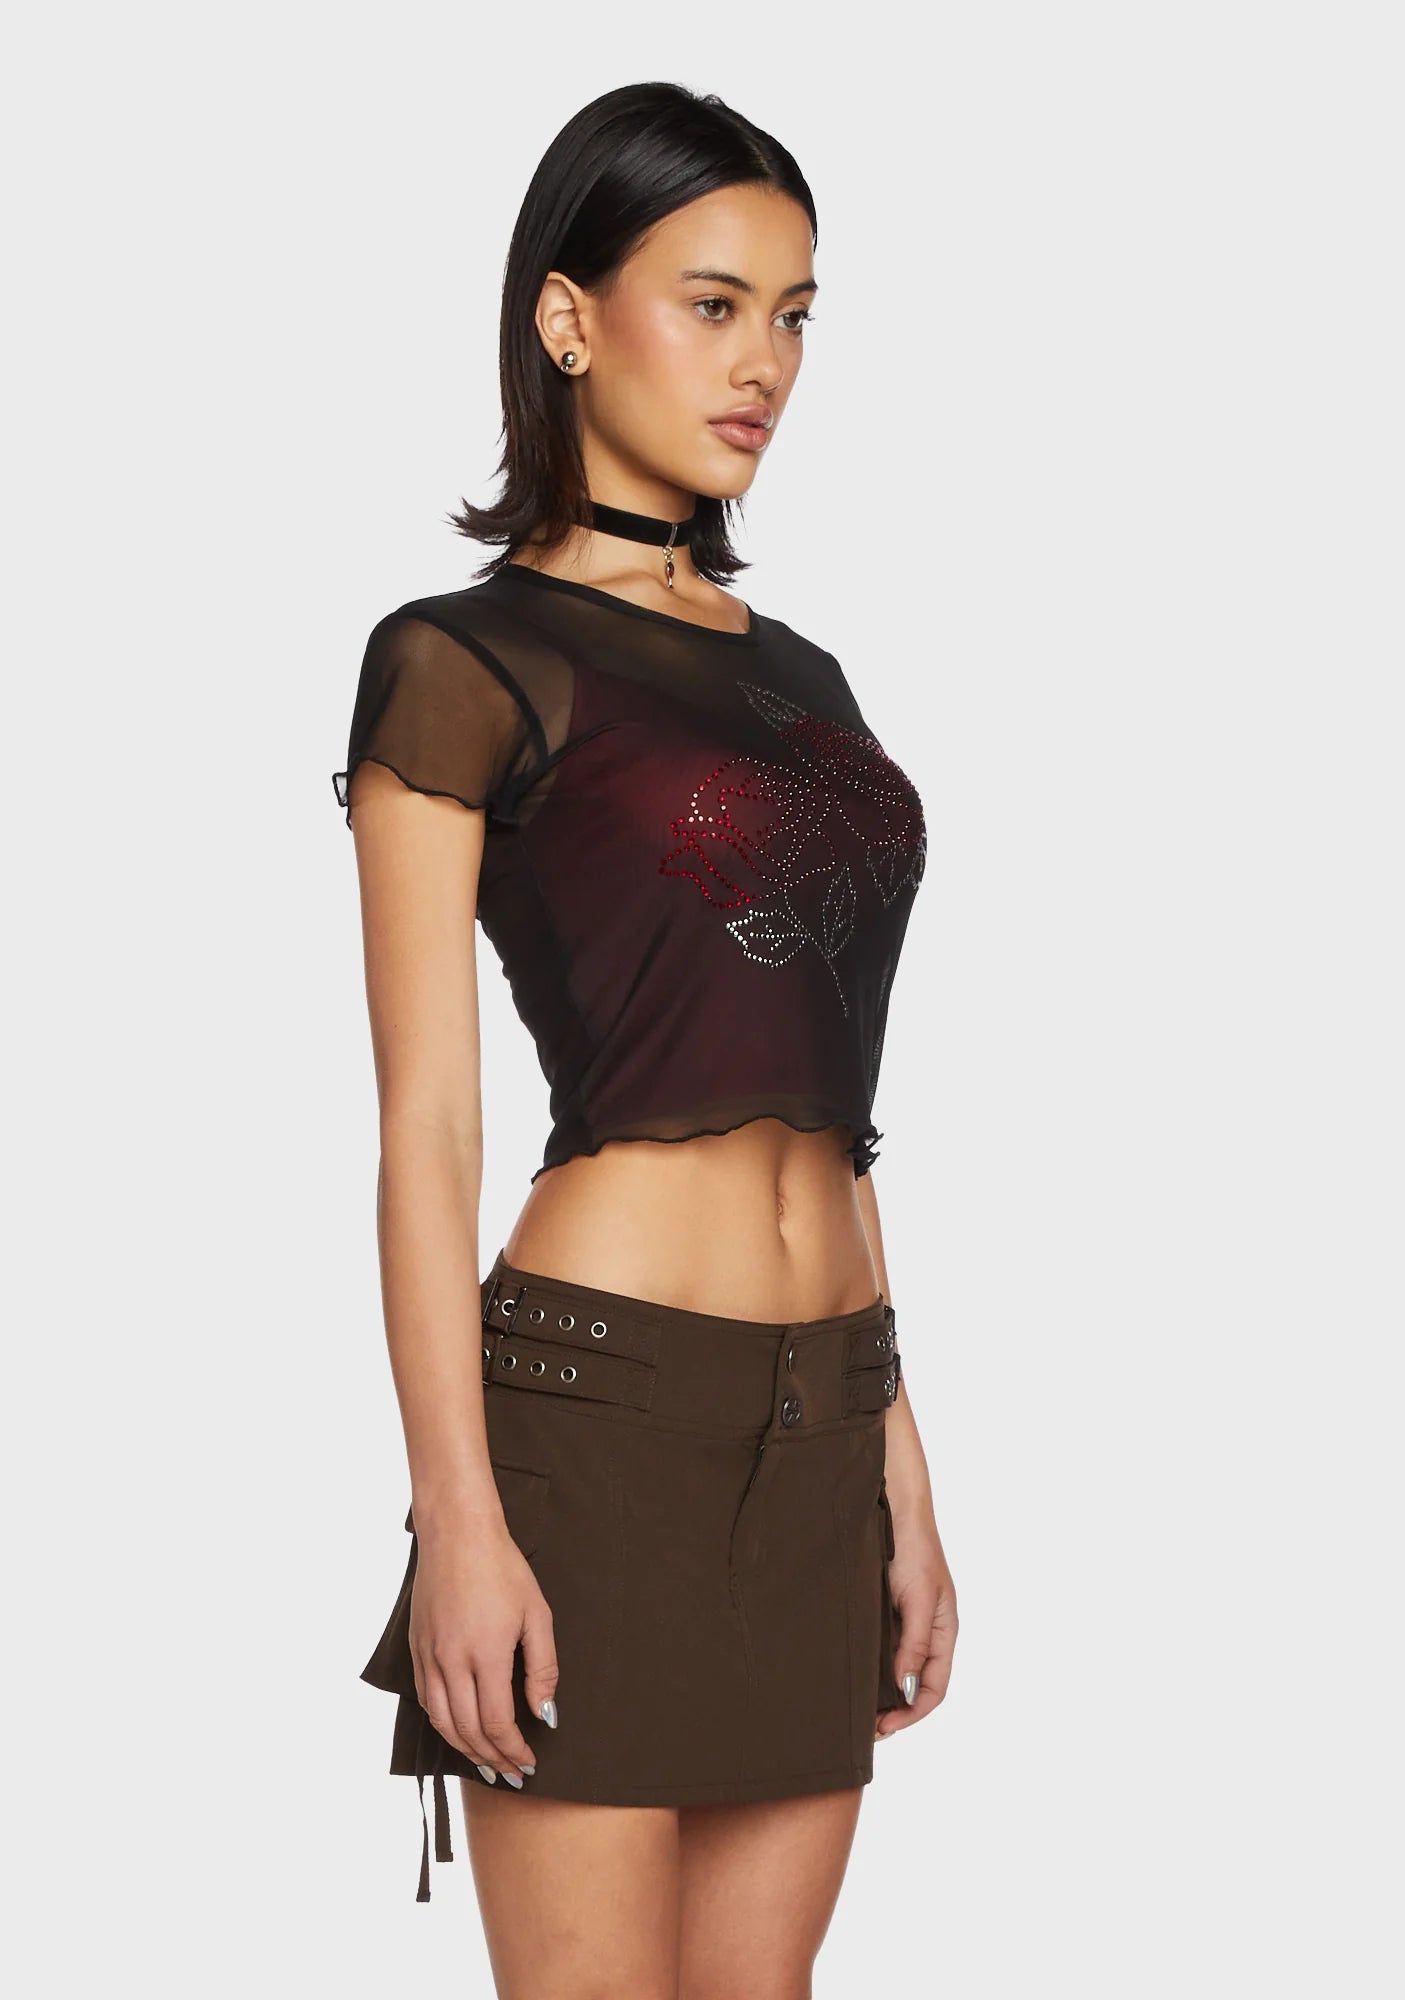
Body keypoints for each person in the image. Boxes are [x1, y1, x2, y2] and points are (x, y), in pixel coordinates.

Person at [332, 79, 958, 2000]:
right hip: (594, 1420)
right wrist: (459, 1519)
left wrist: (902, 1466)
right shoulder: (462, 659)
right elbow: (429, 1130)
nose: (764, 361)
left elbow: (832, 1104)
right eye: (712, 303)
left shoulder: (805, 678)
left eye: (794, 314)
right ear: (567, 316)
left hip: (824, 1416)